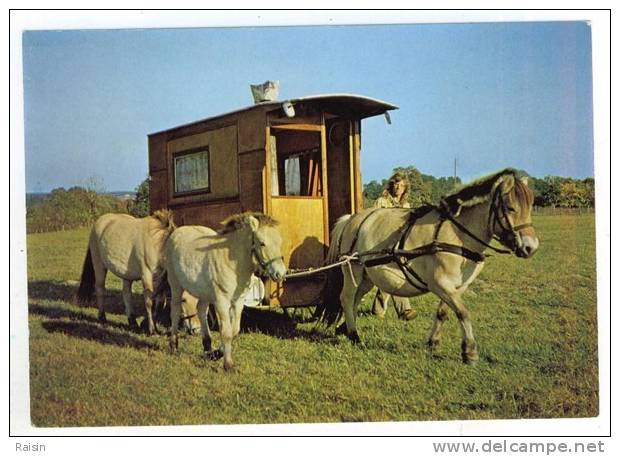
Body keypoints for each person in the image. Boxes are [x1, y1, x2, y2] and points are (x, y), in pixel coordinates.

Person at [372, 172, 418, 321]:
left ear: (405, 188)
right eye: (396, 184)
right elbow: (372, 221)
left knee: (391, 274)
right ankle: (404, 310)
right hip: (381, 243)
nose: (398, 187)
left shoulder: (406, 206)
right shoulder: (382, 202)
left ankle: (378, 310)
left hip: (398, 244)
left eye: (402, 185)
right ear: (391, 185)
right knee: (391, 274)